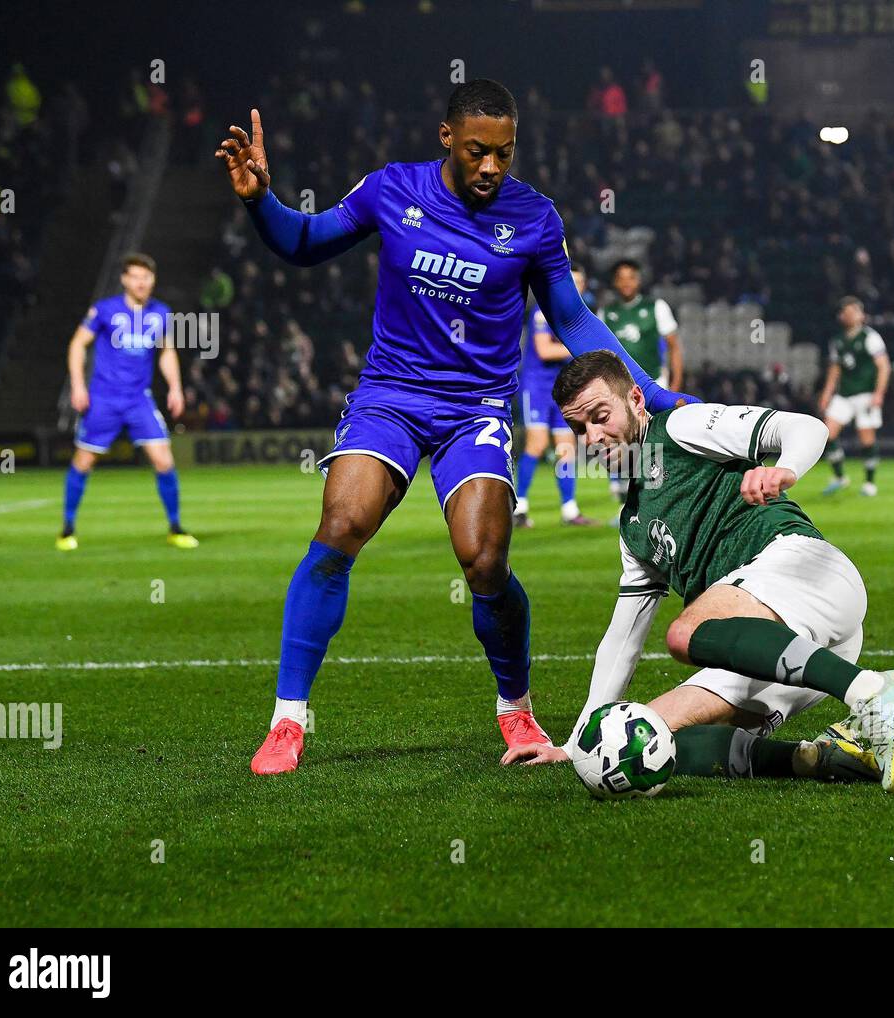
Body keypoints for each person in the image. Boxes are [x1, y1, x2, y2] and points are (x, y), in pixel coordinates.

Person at [215, 80, 688, 774]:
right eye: (477, 152)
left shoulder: (534, 218)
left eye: (504, 153)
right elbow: (306, 242)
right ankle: (288, 721)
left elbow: (575, 321)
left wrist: (658, 395)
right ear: (447, 139)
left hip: (479, 406)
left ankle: (516, 709)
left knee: (485, 559)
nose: (492, 167)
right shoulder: (392, 189)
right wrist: (262, 201)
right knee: (342, 523)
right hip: (391, 395)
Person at [502, 351, 894, 791]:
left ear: (635, 400)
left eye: (600, 416)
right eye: (578, 427)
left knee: (684, 633)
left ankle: (875, 693)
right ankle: (823, 759)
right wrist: (574, 745)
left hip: (808, 572)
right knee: (643, 742)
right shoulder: (633, 528)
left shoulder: (681, 428)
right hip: (798, 650)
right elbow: (621, 641)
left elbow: (806, 427)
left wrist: (785, 468)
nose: (592, 436)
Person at [58, 253, 196, 552]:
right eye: (135, 276)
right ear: (124, 279)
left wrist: (175, 387)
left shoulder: (161, 313)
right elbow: (77, 344)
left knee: (164, 461)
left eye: (146, 277)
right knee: (84, 461)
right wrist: (78, 385)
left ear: (153, 280)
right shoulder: (105, 310)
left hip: (139, 399)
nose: (141, 282)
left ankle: (175, 527)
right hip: (103, 399)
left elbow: (166, 352)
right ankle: (67, 528)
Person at [513, 262, 595, 528]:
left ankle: (569, 510)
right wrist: (583, 348)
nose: (575, 287)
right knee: (536, 444)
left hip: (563, 390)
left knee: (565, 448)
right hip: (537, 387)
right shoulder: (542, 312)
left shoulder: (578, 317)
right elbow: (546, 351)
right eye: (572, 282)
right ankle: (519, 507)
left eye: (580, 283)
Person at [599, 258, 682, 502]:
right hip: (620, 388)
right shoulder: (607, 313)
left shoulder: (656, 307)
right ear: (615, 282)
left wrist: (674, 386)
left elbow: (674, 347)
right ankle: (630, 495)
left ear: (639, 280)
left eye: (631, 277)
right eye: (621, 278)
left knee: (657, 439)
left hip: (654, 383)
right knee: (627, 440)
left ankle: (662, 492)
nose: (626, 283)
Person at [818, 296, 890, 497]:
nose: (850, 316)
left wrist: (879, 393)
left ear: (862, 315)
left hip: (865, 394)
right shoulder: (838, 341)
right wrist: (826, 393)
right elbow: (835, 369)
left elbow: (883, 366)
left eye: (854, 311)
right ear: (841, 316)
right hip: (844, 394)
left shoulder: (870, 337)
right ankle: (840, 477)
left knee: (866, 438)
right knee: (827, 433)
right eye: (846, 312)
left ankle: (869, 482)